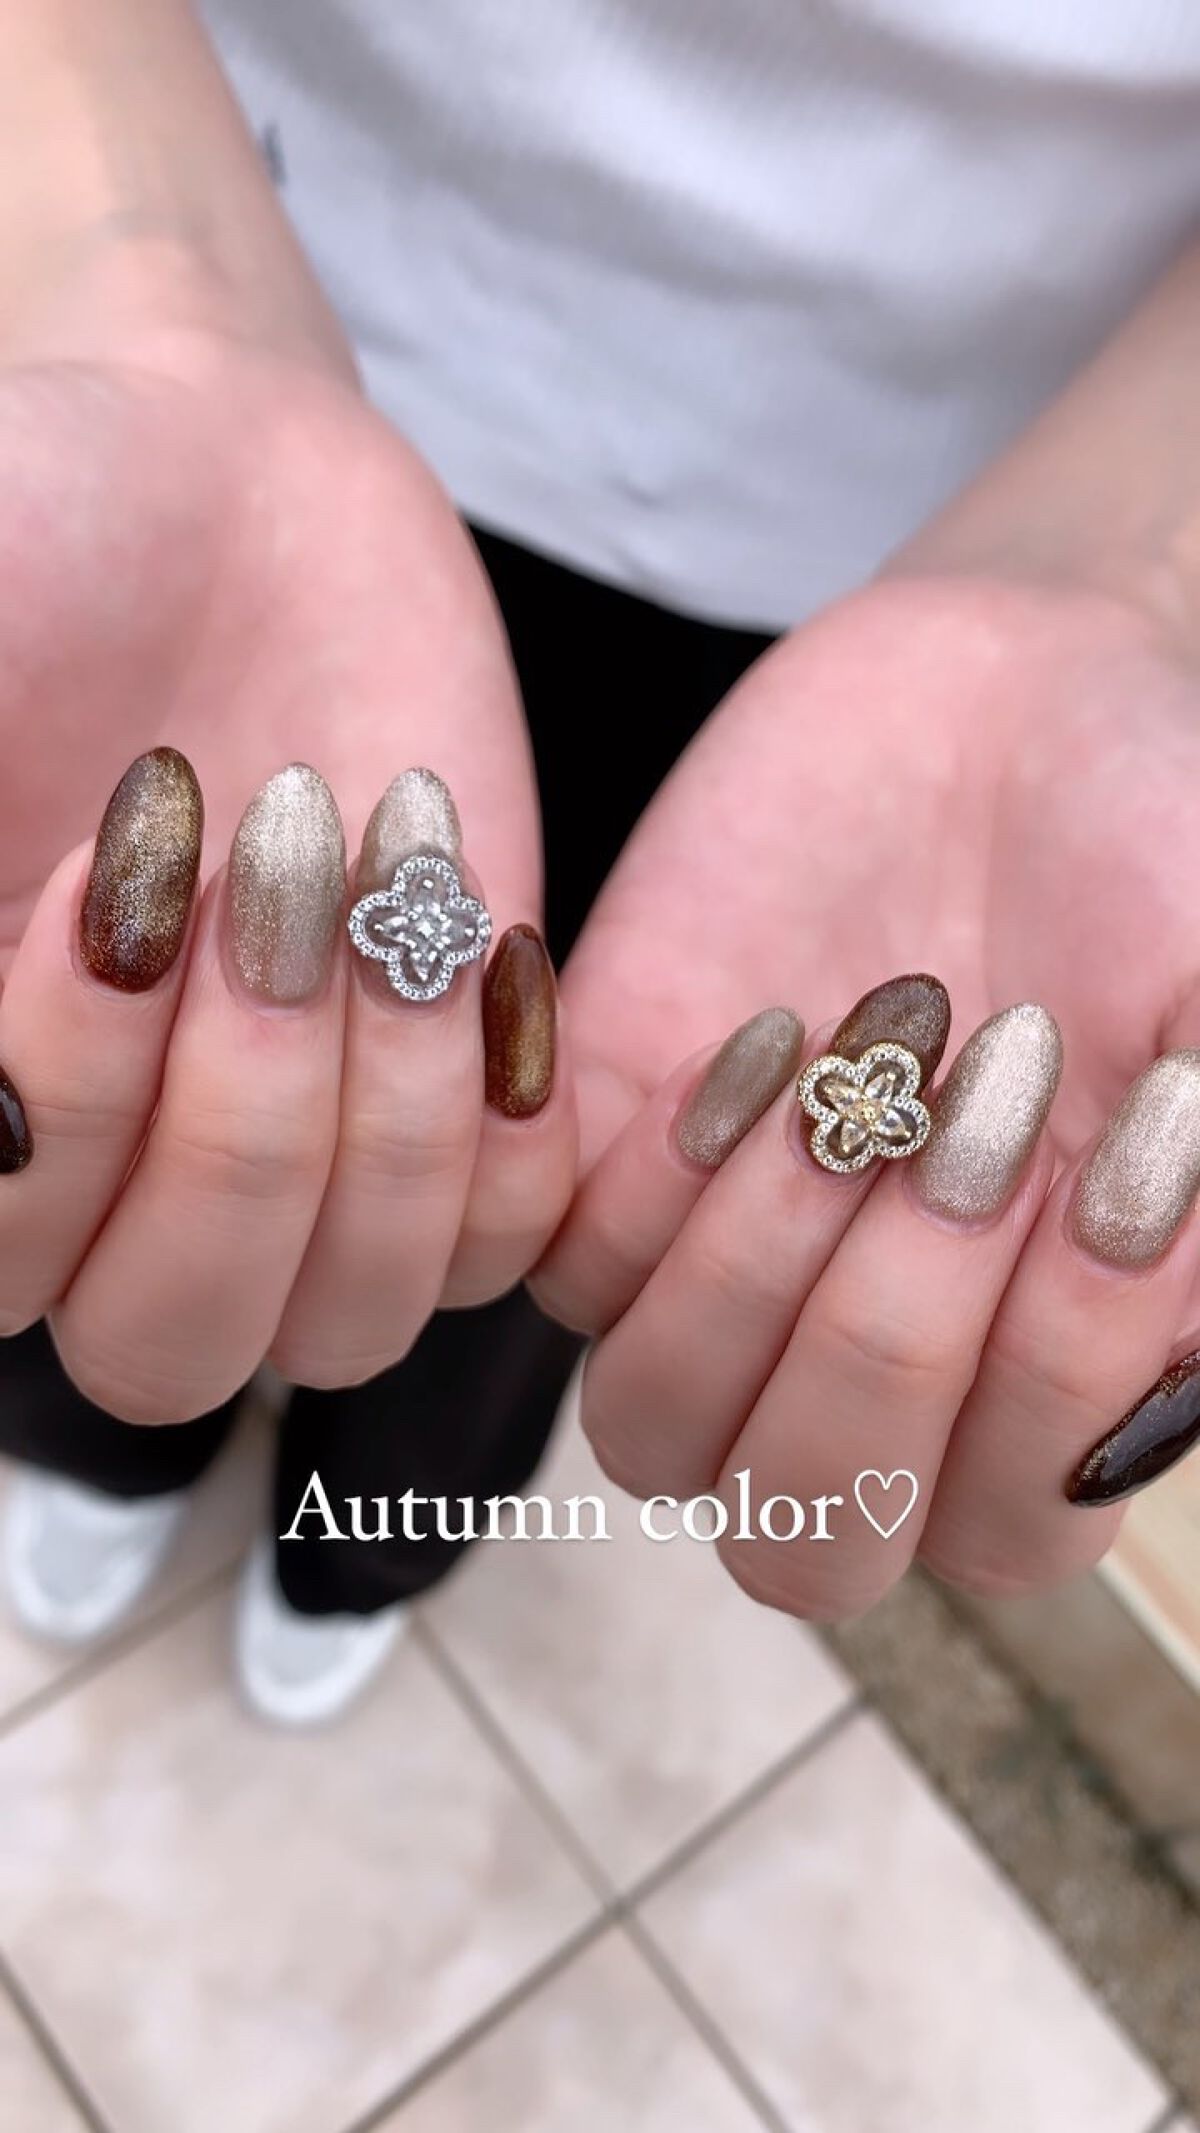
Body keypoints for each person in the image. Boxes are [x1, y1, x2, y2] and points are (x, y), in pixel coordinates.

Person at [2, 0, 1200, 1719]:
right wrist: (124, 253)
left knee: (602, 1164)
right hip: (231, 253)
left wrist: (1142, 559)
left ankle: (368, 1547)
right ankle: (108, 1449)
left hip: (924, 520)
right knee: (112, 1088)